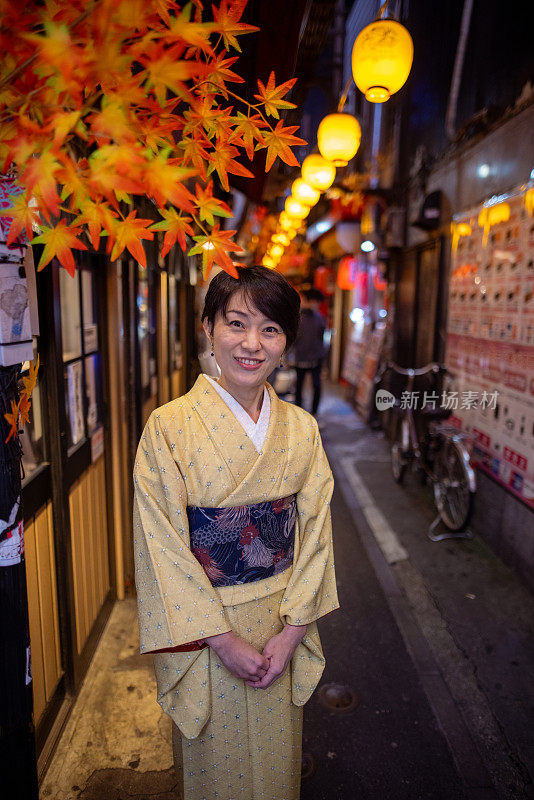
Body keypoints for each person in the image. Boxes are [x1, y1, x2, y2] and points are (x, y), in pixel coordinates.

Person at [133, 266, 338, 800]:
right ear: (208, 328)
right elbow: (161, 546)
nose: (252, 344)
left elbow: (315, 535)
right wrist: (221, 641)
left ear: (287, 343)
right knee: (214, 772)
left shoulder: (301, 429)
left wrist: (292, 632)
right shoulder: (169, 428)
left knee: (276, 767)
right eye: (236, 323)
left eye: (271, 329)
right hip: (208, 632)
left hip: (279, 622)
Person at [293, 288, 326, 416]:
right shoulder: (299, 317)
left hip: (314, 358)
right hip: (302, 357)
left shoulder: (318, 317)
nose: (315, 305)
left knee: (315, 386)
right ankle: (300, 414)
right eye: (314, 302)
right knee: (300, 386)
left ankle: (313, 413)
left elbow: (321, 337)